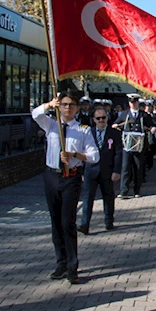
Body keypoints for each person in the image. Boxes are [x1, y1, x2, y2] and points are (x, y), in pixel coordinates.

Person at [32, 91, 99, 285]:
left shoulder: (83, 130)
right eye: (64, 104)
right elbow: (35, 114)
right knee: (55, 222)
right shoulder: (51, 125)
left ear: (77, 108)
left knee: (67, 222)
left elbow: (94, 156)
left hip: (71, 178)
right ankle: (60, 263)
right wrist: (48, 105)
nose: (67, 108)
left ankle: (72, 266)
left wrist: (75, 155)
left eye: (71, 105)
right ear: (58, 107)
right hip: (52, 175)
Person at [78, 105, 122, 234]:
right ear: (94, 119)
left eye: (104, 117)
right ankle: (85, 224)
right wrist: (81, 172)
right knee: (88, 198)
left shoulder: (114, 133)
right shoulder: (88, 133)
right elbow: (82, 152)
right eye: (98, 118)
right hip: (90, 170)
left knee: (108, 196)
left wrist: (117, 171)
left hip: (107, 170)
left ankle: (109, 221)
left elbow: (118, 153)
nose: (101, 120)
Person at [113, 94, 156, 199]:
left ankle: (137, 190)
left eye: (135, 102)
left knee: (138, 167)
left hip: (139, 145)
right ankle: (124, 191)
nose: (133, 104)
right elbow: (116, 124)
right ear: (129, 103)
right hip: (127, 145)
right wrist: (115, 126)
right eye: (131, 102)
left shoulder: (144, 115)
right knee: (125, 168)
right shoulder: (124, 114)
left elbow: (152, 124)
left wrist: (153, 128)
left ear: (138, 103)